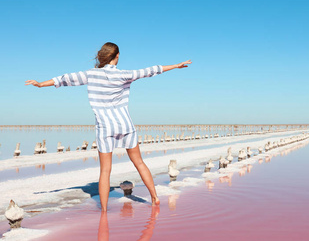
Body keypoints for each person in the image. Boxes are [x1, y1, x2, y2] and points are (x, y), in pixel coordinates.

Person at [25, 42, 192, 211]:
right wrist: (176, 66)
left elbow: (64, 79)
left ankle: (104, 210)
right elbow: (151, 70)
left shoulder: (91, 74)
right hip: (125, 124)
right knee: (139, 163)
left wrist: (40, 84)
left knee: (105, 171)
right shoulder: (125, 74)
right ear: (117, 56)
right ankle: (155, 198)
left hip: (105, 127)